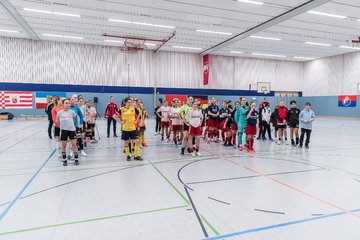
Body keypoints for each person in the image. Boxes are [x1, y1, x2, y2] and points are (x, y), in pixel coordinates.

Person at [114, 97, 143, 161]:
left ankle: (136, 156)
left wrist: (136, 121)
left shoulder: (133, 108)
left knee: (137, 141)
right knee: (126, 142)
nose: (130, 103)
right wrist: (120, 122)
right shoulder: (122, 109)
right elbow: (114, 116)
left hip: (133, 128)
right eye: (129, 102)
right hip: (125, 129)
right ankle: (128, 156)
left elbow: (139, 114)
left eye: (131, 102)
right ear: (125, 102)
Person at [56, 98, 79, 166]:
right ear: (63, 104)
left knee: (74, 145)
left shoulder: (72, 112)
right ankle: (64, 160)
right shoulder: (59, 113)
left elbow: (75, 118)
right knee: (63, 146)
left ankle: (76, 159)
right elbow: (58, 122)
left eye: (69, 103)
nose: (68, 104)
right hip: (64, 131)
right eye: (66, 103)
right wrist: (63, 128)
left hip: (72, 130)